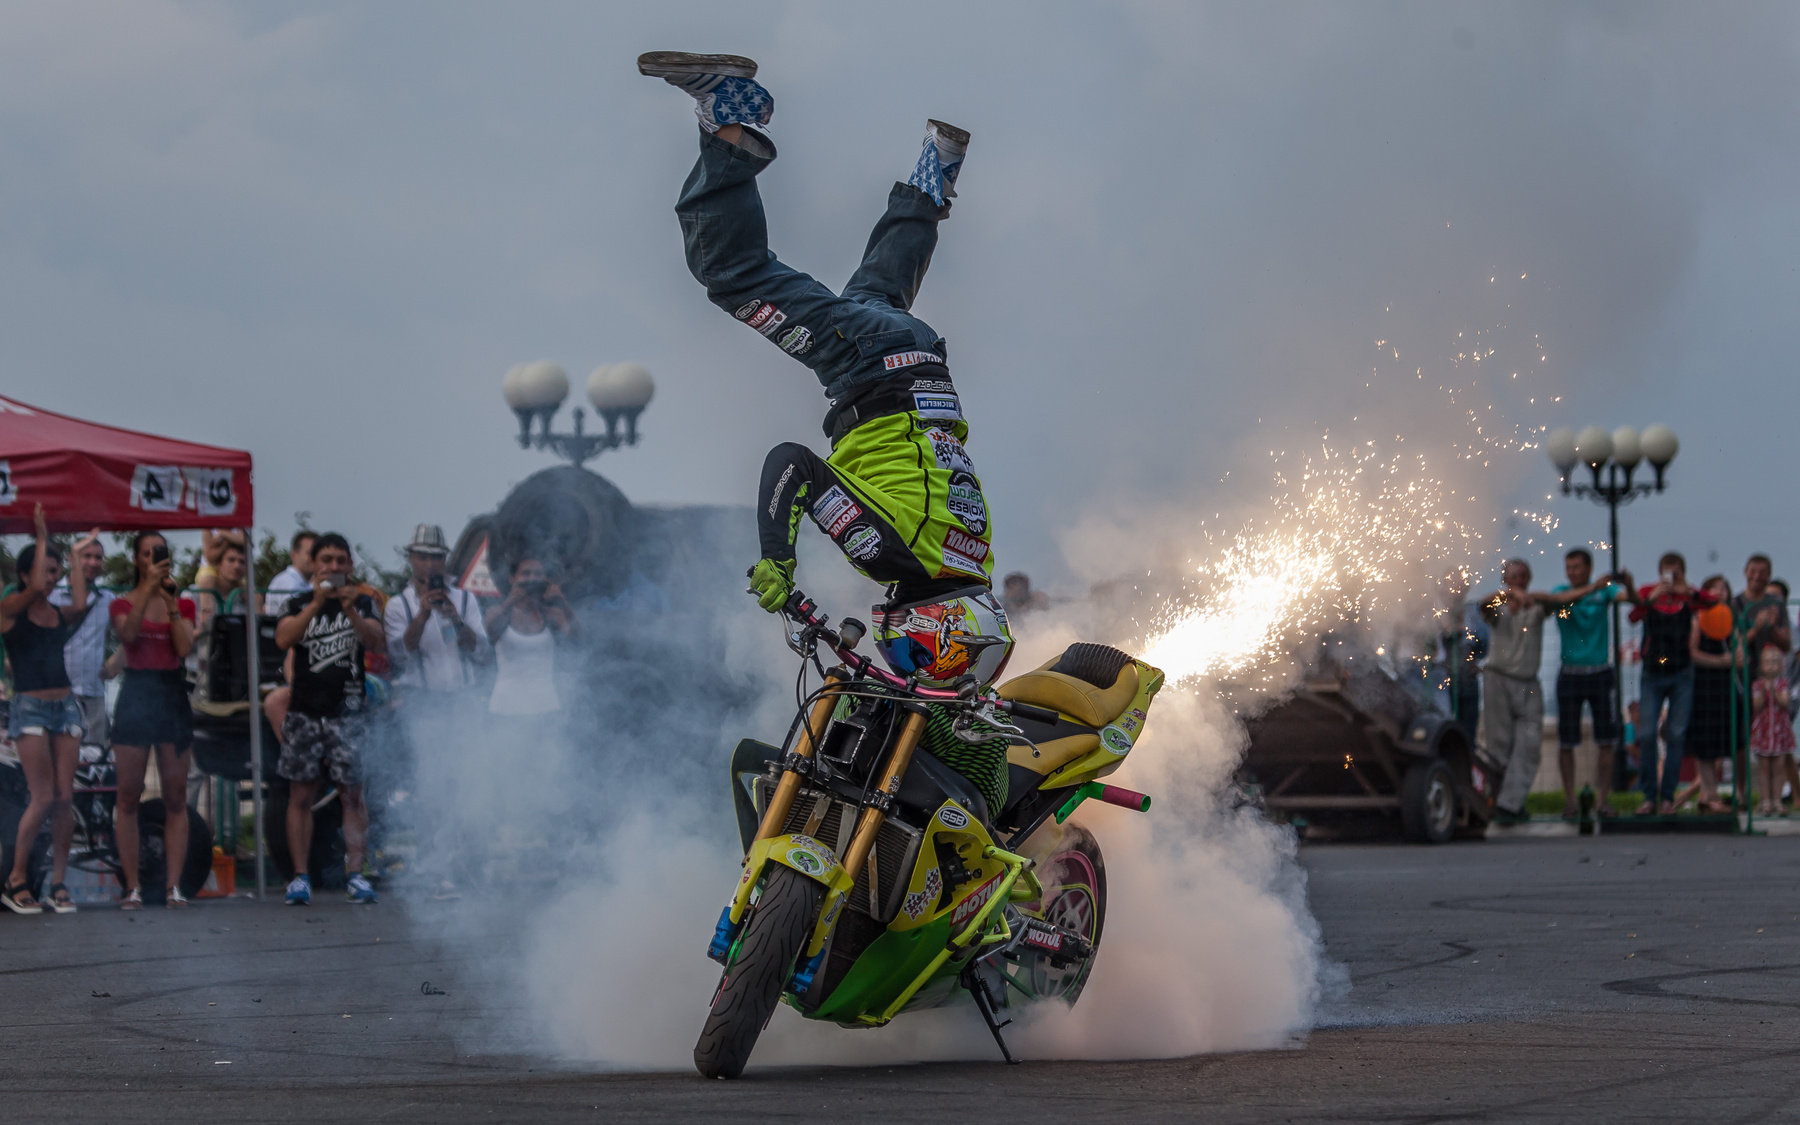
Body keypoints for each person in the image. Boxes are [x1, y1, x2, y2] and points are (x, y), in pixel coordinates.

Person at [644, 52, 1015, 818]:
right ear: (942, 624)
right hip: (871, 369)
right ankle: (730, 119)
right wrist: (777, 560)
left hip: (909, 367)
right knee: (731, 273)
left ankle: (935, 172)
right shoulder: (897, 557)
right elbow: (794, 467)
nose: (899, 648)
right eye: (917, 650)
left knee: (875, 289)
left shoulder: (969, 554)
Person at [273, 533, 385, 906]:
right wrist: (317, 603)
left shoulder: (364, 602)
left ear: (350, 565)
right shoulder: (297, 602)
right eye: (327, 560)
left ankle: (356, 874)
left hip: (347, 712)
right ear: (314, 564)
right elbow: (283, 639)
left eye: (340, 560)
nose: (334, 567)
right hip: (305, 711)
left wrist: (350, 611)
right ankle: (300, 877)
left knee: (352, 795)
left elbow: (376, 641)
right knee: (300, 794)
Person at [0, 507, 97, 913]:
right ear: (25, 575)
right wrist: (42, 537)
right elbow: (38, 585)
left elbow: (81, 599)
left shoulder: (58, 613)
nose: (52, 578)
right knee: (40, 797)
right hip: (30, 710)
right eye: (46, 571)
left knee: (62, 797)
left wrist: (75, 556)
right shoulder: (9, 610)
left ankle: (58, 882)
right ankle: (16, 879)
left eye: (57, 572)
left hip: (65, 708)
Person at [1477, 559, 1615, 821]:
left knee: (1530, 745)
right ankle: (1494, 800)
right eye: (1514, 576)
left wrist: (1592, 588)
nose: (1519, 580)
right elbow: (1484, 605)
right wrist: (1510, 595)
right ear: (1505, 579)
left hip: (1528, 681)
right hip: (1498, 679)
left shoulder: (1538, 605)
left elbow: (1559, 600)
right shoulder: (1498, 606)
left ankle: (1510, 804)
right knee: (1498, 746)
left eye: (1523, 576)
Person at [109, 530, 198, 909]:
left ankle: (173, 886)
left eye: (159, 553)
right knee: (128, 794)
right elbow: (128, 635)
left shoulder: (184, 603)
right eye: (146, 554)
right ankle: (132, 886)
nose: (153, 559)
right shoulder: (121, 603)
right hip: (136, 692)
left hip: (171, 694)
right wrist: (147, 589)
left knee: (175, 797)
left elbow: (183, 647)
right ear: (136, 559)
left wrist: (171, 602)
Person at [1548, 549, 1634, 818]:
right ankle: (1570, 801)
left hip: (1599, 672)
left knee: (1606, 740)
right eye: (1568, 567)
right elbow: (1558, 601)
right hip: (1570, 674)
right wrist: (1592, 588)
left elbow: (1627, 598)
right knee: (1566, 741)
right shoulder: (1562, 591)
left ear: (1588, 568)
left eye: (1576, 567)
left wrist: (1628, 585)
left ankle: (1603, 800)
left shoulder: (1604, 592)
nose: (1571, 572)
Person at [1626, 552, 1713, 815]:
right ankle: (1649, 796)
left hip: (1681, 673)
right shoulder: (1649, 592)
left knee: (1676, 735)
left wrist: (1687, 591)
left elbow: (1711, 604)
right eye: (1667, 572)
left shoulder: (1688, 596)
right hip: (1652, 673)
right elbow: (1633, 615)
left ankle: (1667, 797)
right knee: (1647, 735)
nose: (1671, 578)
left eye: (1676, 573)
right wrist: (1651, 599)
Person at [384, 524, 487, 696]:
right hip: (419, 697)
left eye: (436, 558)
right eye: (422, 558)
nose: (430, 564)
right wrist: (422, 616)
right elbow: (399, 656)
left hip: (463, 695)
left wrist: (457, 621)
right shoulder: (398, 605)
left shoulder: (465, 599)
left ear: (444, 559)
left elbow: (481, 650)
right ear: (410, 559)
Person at [484, 556, 576, 723]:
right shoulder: (498, 612)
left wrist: (562, 601)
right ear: (512, 578)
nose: (532, 578)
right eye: (526, 573)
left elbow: (579, 637)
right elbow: (487, 633)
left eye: (538, 574)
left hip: (546, 704)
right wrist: (511, 600)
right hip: (505, 706)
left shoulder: (552, 614)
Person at [47, 525, 110, 747]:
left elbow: (131, 634)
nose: (93, 562)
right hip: (56, 692)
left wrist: (115, 664)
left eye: (98, 557)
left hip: (93, 693)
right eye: (87, 556)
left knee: (93, 757)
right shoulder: (52, 594)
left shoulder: (107, 598)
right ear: (72, 559)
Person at [1680, 575, 1738, 813]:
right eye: (1714, 589)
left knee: (1719, 743)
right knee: (1704, 744)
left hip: (1724, 687)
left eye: (1724, 589)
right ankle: (1710, 794)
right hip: (1702, 687)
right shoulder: (1699, 619)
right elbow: (1692, 652)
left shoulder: (1731, 620)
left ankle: (1708, 795)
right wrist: (1722, 661)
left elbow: (1740, 654)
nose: (1720, 593)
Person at [262, 530, 317, 741]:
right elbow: (296, 633)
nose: (312, 558)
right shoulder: (287, 583)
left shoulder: (310, 585)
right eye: (309, 553)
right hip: (285, 656)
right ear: (294, 555)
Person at [1750, 645, 1795, 816]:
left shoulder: (1783, 684)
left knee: (1779, 767)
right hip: (1763, 731)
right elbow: (1757, 706)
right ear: (1761, 665)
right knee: (1764, 768)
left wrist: (1774, 690)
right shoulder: (1757, 685)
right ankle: (1765, 801)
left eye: (1774, 662)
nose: (1770, 666)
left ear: (1780, 665)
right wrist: (1764, 690)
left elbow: (1785, 703)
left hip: (1779, 731)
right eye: (1767, 662)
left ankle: (1777, 800)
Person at [1733, 554, 1791, 671]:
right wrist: (1755, 629)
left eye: (1762, 572)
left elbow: (1787, 645)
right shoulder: (1735, 603)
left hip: (1771, 672)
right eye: (1753, 571)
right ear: (1745, 572)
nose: (1757, 576)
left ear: (1769, 575)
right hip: (1744, 671)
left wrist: (1773, 628)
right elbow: (1732, 644)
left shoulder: (1776, 603)